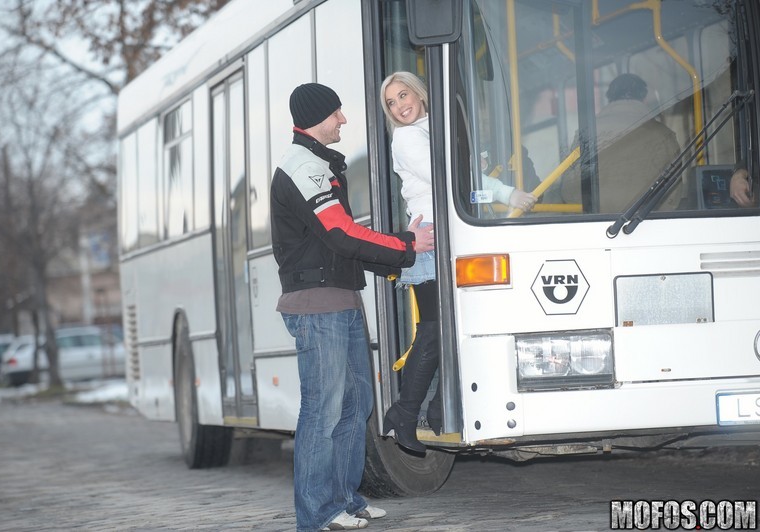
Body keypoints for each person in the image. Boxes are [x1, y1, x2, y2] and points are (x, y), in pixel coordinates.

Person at [270, 82, 434, 532]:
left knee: (355, 403)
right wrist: (406, 245)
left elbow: (336, 245)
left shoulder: (320, 163)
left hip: (340, 300)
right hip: (317, 307)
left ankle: (344, 501)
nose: (343, 120)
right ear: (317, 117)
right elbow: (341, 232)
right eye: (337, 113)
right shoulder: (303, 165)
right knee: (323, 409)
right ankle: (316, 515)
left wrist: (398, 266)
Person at [378, 71, 536, 454]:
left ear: (419, 93)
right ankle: (406, 411)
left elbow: (462, 174)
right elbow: (450, 177)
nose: (400, 106)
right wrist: (504, 193)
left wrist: (503, 191)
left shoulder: (434, 130)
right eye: (391, 103)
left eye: (403, 95)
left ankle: (434, 408)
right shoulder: (407, 137)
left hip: (451, 231)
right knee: (434, 329)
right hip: (431, 235)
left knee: (450, 329)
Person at [561, 73, 682, 212]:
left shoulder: (587, 133)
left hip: (594, 222)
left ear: (610, 98)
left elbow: (570, 186)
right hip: (646, 222)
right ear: (643, 98)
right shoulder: (661, 133)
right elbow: (673, 191)